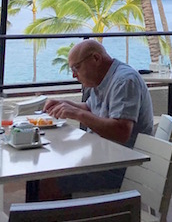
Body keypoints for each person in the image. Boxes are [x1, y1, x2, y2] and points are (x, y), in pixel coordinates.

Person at [40, 39, 155, 199]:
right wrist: (64, 104)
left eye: (76, 67)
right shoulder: (102, 80)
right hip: (104, 156)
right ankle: (61, 218)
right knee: (48, 165)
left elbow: (121, 132)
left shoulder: (124, 81)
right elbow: (90, 108)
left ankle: (60, 220)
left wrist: (77, 114)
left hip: (123, 167)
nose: (74, 75)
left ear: (96, 58)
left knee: (48, 177)